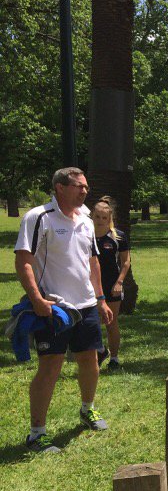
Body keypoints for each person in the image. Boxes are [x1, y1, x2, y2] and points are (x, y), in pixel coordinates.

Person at [14, 167, 114, 452]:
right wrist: (36, 300)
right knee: (50, 366)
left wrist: (101, 299)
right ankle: (37, 433)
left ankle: (87, 409)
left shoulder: (85, 217)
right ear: (60, 187)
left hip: (86, 305)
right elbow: (23, 262)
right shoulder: (38, 217)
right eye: (78, 186)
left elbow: (92, 260)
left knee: (90, 360)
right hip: (53, 307)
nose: (85, 191)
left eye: (86, 186)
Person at [91, 197, 131, 370]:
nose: (100, 221)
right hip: (91, 286)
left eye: (104, 218)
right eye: (97, 217)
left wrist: (119, 282)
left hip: (112, 284)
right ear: (92, 216)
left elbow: (126, 262)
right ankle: (100, 350)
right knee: (92, 321)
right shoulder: (86, 235)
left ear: (110, 219)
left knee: (111, 322)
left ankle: (114, 358)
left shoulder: (118, 237)